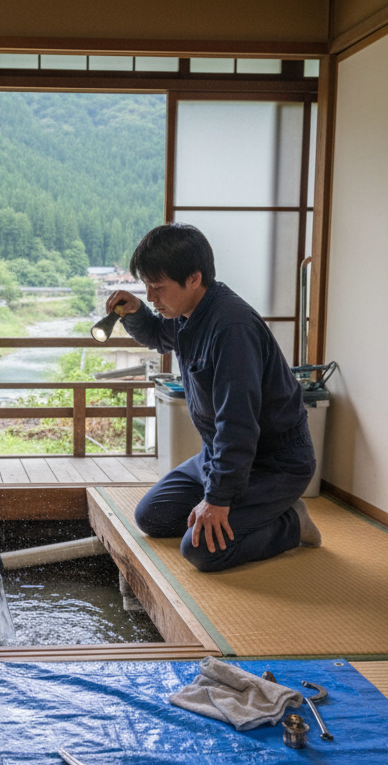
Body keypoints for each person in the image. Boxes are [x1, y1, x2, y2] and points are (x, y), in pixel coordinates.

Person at [105, 223, 321, 573]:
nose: (152, 297)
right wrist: (137, 313)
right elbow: (162, 337)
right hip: (219, 455)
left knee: (201, 551)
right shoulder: (189, 312)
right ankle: (241, 508)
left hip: (273, 463)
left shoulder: (231, 328)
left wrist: (218, 500)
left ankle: (292, 524)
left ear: (193, 278)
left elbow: (237, 426)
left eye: (158, 288)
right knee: (153, 516)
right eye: (146, 287)